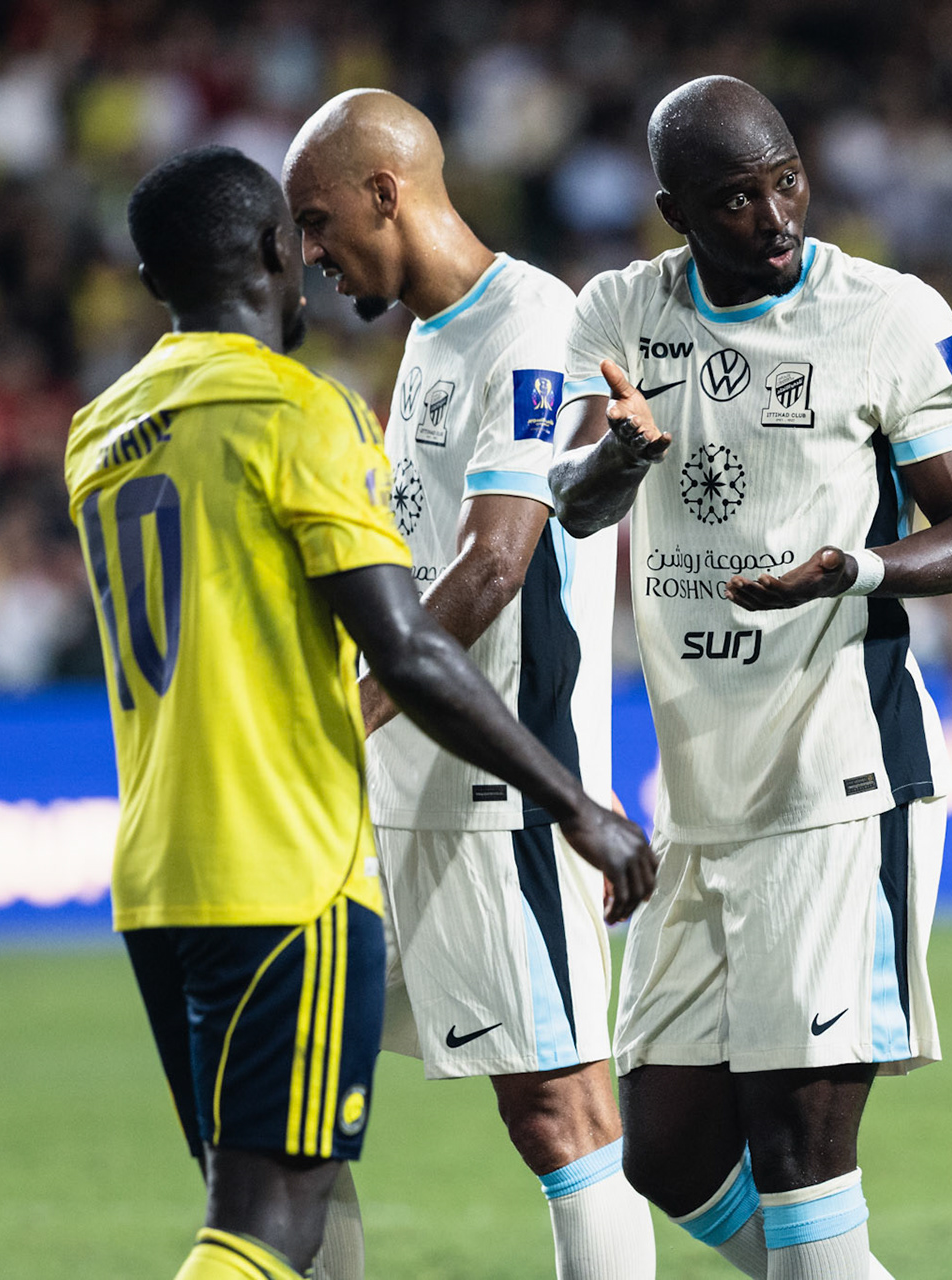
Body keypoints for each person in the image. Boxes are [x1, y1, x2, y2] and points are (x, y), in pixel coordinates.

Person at [63, 144, 652, 1280]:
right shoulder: (300, 409)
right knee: (268, 1214)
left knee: (281, 1177)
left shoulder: (98, 430)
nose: (317, 258)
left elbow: (507, 536)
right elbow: (419, 630)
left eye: (327, 224)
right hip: (295, 850)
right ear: (275, 250)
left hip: (157, 864)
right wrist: (577, 802)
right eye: (304, 236)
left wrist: (597, 471)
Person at [548, 75, 952, 1280]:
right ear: (674, 210)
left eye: (786, 178)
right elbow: (575, 506)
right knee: (664, 1146)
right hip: (700, 792)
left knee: (800, 1149)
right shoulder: (617, 312)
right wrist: (619, 460)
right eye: (736, 198)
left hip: (838, 775)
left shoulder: (891, 315)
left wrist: (850, 571)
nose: (775, 213)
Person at [280, 91, 650, 1279]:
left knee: (560, 1113)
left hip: (502, 795)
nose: (312, 253)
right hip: (386, 797)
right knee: (294, 1099)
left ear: (389, 192)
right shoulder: (433, 336)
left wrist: (348, 709)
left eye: (320, 220)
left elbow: (495, 562)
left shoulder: (532, 320)